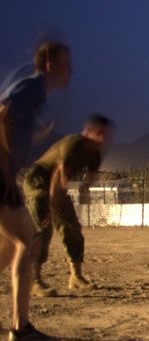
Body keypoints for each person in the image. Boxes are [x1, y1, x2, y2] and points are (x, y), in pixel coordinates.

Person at [0, 42, 72, 341]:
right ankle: (21, 330)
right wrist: (6, 173)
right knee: (26, 240)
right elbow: (2, 115)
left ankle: (21, 328)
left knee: (8, 245)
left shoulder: (33, 92)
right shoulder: (33, 87)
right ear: (50, 64)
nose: (71, 70)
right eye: (66, 63)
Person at [22, 113, 113, 295]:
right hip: (38, 181)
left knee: (72, 228)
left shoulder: (95, 155)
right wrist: (51, 207)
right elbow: (57, 176)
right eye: (99, 133)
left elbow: (89, 180)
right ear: (88, 132)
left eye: (106, 134)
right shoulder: (73, 145)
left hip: (58, 187)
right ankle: (34, 280)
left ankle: (75, 277)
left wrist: (83, 192)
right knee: (43, 229)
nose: (103, 138)